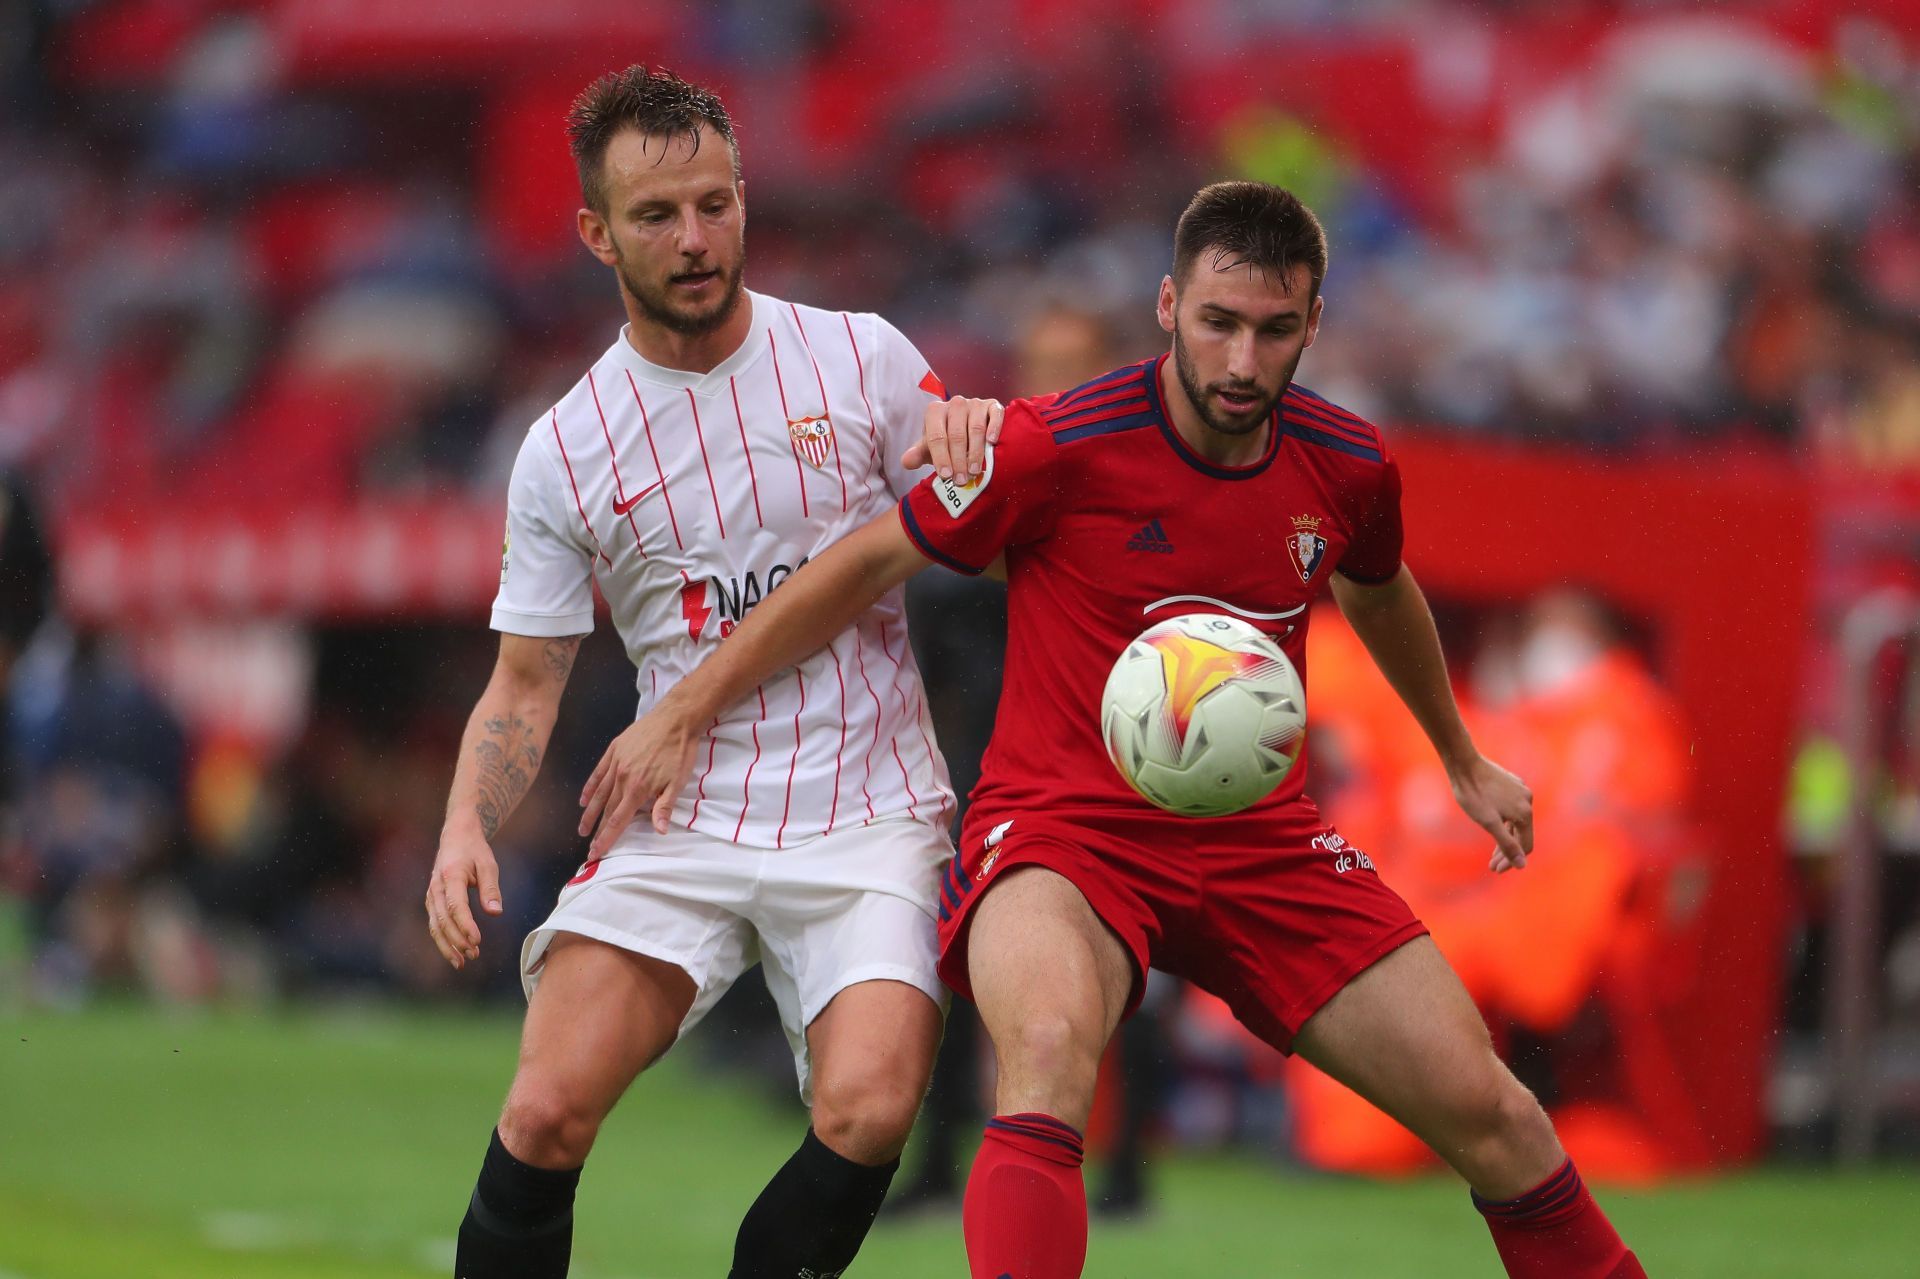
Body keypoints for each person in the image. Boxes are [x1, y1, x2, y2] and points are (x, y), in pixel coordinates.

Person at [582, 180, 1649, 1278]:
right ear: (1168, 304)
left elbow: (1377, 588)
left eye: (1275, 330)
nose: (1243, 362)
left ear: (1314, 324)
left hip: (1260, 840)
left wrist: (1460, 756)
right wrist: (684, 706)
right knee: (1043, 1054)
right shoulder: (1059, 443)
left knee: (1498, 1116)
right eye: (1218, 324)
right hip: (1065, 830)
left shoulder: (1348, 464)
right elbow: (863, 563)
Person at [425, 64, 1000, 1279]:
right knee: (542, 1112)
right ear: (596, 232)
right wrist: (465, 824)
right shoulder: (565, 447)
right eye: (655, 216)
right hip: (677, 816)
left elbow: (972, 494)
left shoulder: (860, 359)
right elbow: (524, 683)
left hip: (869, 805)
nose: (694, 240)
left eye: (715, 204)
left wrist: (972, 434)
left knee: (870, 1107)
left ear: (742, 197)